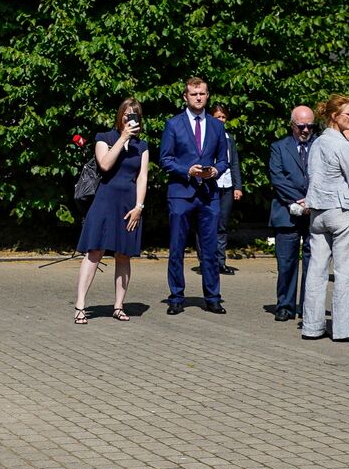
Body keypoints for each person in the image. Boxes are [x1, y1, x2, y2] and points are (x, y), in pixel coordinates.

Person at [73, 99, 149, 324]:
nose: (129, 119)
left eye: (134, 115)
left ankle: (118, 306)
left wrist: (139, 207)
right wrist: (123, 138)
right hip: (105, 201)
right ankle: (80, 305)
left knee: (123, 254)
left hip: (129, 204)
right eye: (126, 114)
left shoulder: (142, 146)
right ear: (119, 116)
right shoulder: (103, 138)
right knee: (94, 251)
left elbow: (142, 177)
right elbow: (104, 164)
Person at [300, 94, 349, 343]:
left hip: (318, 213)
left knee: (316, 272)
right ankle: (343, 329)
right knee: (346, 273)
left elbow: (312, 176)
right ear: (333, 115)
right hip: (342, 211)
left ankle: (312, 326)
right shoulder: (343, 146)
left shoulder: (316, 143)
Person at [160, 77, 228, 315]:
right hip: (181, 194)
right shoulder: (173, 124)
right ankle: (176, 296)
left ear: (207, 96)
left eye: (202, 94)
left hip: (209, 195)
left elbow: (223, 159)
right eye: (193, 94)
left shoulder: (217, 126)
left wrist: (216, 170)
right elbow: (165, 159)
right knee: (177, 247)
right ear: (185, 97)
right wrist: (186, 170)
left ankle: (212, 297)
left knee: (210, 249)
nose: (198, 98)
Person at [267, 106, 315, 322]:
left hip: (314, 213)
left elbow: (325, 175)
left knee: (313, 263)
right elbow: (277, 178)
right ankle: (285, 305)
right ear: (292, 125)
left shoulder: (320, 146)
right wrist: (298, 200)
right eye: (301, 126)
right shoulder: (279, 147)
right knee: (286, 263)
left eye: (310, 126)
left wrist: (312, 200)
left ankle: (308, 307)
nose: (305, 130)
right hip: (286, 212)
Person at [210, 103, 243, 277]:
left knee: (222, 225)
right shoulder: (207, 137)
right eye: (218, 117)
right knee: (208, 224)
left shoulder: (229, 138)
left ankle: (220, 262)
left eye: (223, 117)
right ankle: (207, 261)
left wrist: (238, 186)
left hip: (227, 185)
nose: (221, 120)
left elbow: (234, 163)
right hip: (211, 185)